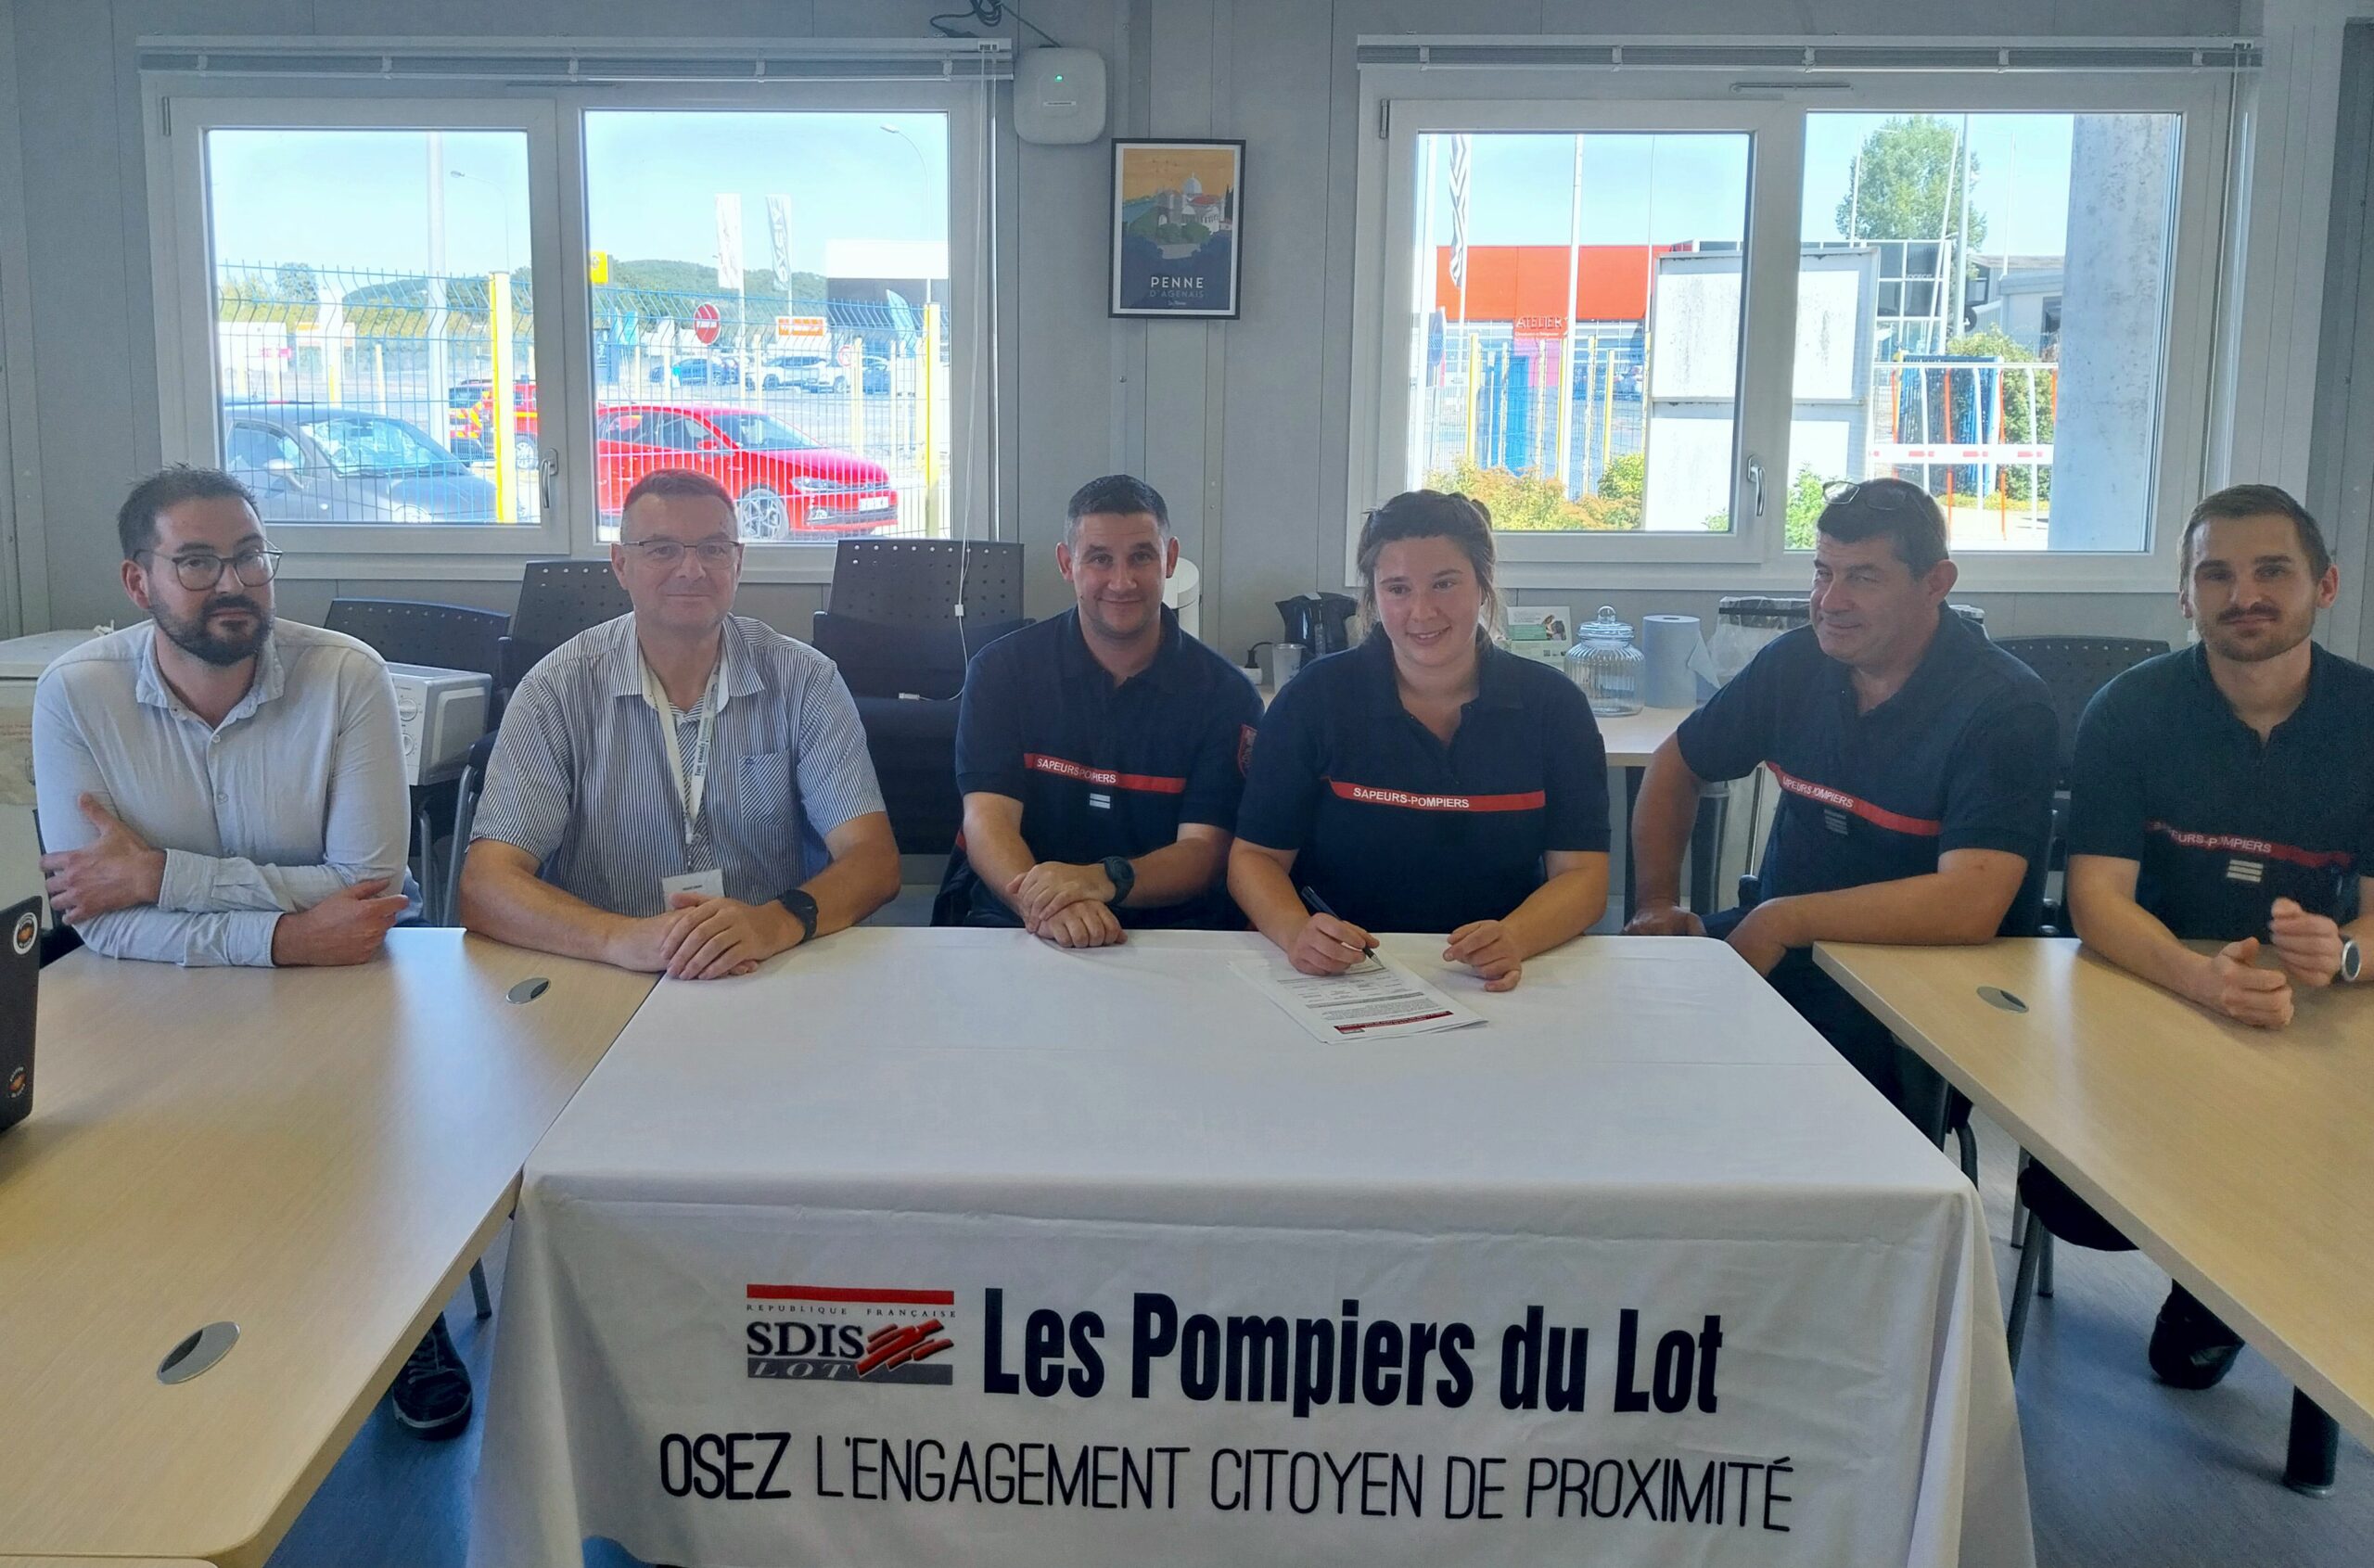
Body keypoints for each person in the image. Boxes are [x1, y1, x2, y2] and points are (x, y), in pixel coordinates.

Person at [33, 465, 467, 1440]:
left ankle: (408, 1315)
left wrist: (161, 875)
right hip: (155, 987)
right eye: (196, 561)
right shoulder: (75, 696)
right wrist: (283, 932)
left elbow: (367, 887)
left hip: (343, 982)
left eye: (250, 556)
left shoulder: (346, 676)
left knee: (374, 1127)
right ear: (138, 580)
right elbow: (98, 916)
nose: (232, 583)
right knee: (126, 1153)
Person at [2044, 483, 2372, 1390]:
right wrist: (2198, 980)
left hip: (2310, 1015)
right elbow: (2095, 899)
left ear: (2325, 584)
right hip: (2146, 989)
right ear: (2185, 595)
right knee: (2078, 1199)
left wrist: (2345, 951)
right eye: (2216, 574)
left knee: (2328, 1178)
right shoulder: (2127, 709)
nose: (2244, 595)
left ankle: (2233, 1288)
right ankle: (2214, 1273)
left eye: (2272, 571)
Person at [1623, 478, 2058, 1104]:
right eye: (1822, 573)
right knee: (1627, 1026)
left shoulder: (2005, 707)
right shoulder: (1795, 663)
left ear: (1936, 583)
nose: (1830, 601)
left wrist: (1784, 919)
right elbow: (1677, 763)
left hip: (1928, 985)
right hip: (1790, 951)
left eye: (1864, 578)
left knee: (1757, 1098)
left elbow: (1970, 902)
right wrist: (1656, 904)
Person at [460, 468, 898, 977]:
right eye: (662, 549)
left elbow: (874, 860)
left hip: (764, 963)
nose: (692, 570)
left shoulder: (805, 680)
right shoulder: (556, 690)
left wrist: (774, 923)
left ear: (738, 562)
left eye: (713, 549)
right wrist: (618, 937)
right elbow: (485, 884)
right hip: (606, 968)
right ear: (621, 564)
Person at [1228, 491, 1609, 991]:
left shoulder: (1554, 707)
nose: (1422, 611)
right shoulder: (1313, 698)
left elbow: (1583, 874)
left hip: (1495, 977)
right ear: (1373, 596)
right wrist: (1295, 931)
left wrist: (1517, 937)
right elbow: (1254, 858)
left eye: (1445, 583)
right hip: (1343, 977)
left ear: (1483, 584)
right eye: (1398, 588)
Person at [941, 475, 1261, 944]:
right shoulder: (1001, 671)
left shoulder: (1226, 695)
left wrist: (1100, 880)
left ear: (1170, 559)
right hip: (1020, 922)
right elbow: (987, 820)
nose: (1122, 581)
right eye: (1099, 558)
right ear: (1066, 563)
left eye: (1141, 557)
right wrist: (1045, 908)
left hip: (1169, 935)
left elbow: (1204, 851)